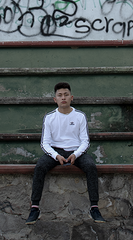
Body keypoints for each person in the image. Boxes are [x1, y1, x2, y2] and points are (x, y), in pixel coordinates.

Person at [26, 82, 105, 224]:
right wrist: (56, 156)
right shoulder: (49, 117)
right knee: (40, 167)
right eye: (60, 95)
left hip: (76, 151)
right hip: (56, 151)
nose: (63, 98)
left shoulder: (80, 116)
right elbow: (45, 143)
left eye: (66, 95)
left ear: (71, 97)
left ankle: (94, 207)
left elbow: (85, 141)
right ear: (55, 99)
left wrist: (76, 154)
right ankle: (34, 208)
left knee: (91, 166)